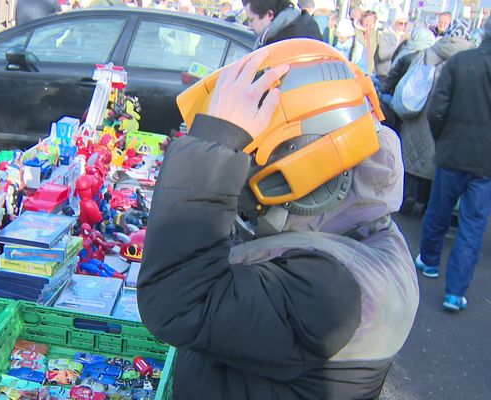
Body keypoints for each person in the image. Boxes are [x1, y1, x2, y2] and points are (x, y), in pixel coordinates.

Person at [138, 39, 419, 399]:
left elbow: (177, 302)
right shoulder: (359, 226)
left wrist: (217, 142)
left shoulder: (330, 292)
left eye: (250, 154)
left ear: (292, 174)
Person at [416, 18, 491, 312]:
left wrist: (442, 139)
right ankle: (455, 292)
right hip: (486, 162)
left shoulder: (460, 62)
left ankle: (429, 259)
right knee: (473, 224)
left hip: (452, 151)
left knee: (440, 209)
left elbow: (437, 110)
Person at [398, 34, 471, 215]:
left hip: (416, 112)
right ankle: (424, 202)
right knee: (431, 164)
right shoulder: (463, 62)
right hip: (438, 117)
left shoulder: (426, 53)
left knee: (410, 158)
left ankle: (406, 196)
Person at [242, 0, 322, 49]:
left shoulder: (278, 44)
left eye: (251, 20)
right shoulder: (308, 23)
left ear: (270, 15)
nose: (250, 27)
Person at [380, 27, 436, 96]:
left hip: (397, 97)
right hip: (418, 101)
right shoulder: (433, 59)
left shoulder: (405, 54)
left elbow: (392, 78)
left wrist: (382, 93)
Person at [375, 13, 408, 78]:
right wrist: (399, 45)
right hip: (384, 75)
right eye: (401, 23)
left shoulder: (406, 38)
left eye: (405, 24)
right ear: (394, 24)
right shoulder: (385, 35)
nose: (403, 26)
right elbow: (382, 55)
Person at [355, 10, 378, 75]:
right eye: (366, 21)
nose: (368, 23)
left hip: (369, 70)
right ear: (362, 20)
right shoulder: (355, 32)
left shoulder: (375, 34)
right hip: (356, 68)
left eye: (371, 21)